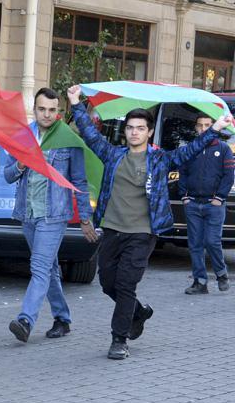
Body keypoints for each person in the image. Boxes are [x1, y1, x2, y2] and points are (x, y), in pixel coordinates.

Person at [67, 85, 233, 360]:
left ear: (149, 132)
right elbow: (89, 133)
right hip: (112, 230)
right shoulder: (113, 155)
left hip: (142, 234)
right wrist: (74, 102)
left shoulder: (160, 159)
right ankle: (139, 312)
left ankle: (119, 339)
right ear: (126, 130)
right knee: (108, 282)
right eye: (130, 127)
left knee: (125, 285)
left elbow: (190, 150)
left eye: (140, 128)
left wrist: (215, 128)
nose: (134, 132)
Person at [4, 88, 97, 343]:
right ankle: (62, 318)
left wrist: (86, 218)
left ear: (59, 112)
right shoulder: (23, 137)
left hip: (53, 216)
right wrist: (21, 164)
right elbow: (8, 175)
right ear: (34, 109)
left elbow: (79, 180)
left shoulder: (68, 138)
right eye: (42, 109)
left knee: (39, 267)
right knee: (49, 268)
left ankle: (25, 320)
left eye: (52, 110)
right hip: (27, 214)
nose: (47, 114)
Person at [179, 113, 234, 294]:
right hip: (193, 204)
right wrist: (184, 196)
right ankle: (200, 282)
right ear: (196, 128)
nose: (203, 129)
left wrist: (220, 197)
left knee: (212, 242)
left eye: (207, 125)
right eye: (200, 125)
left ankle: (221, 273)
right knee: (195, 244)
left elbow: (229, 176)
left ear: (214, 126)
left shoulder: (224, 149)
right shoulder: (191, 148)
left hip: (214, 205)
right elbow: (183, 173)